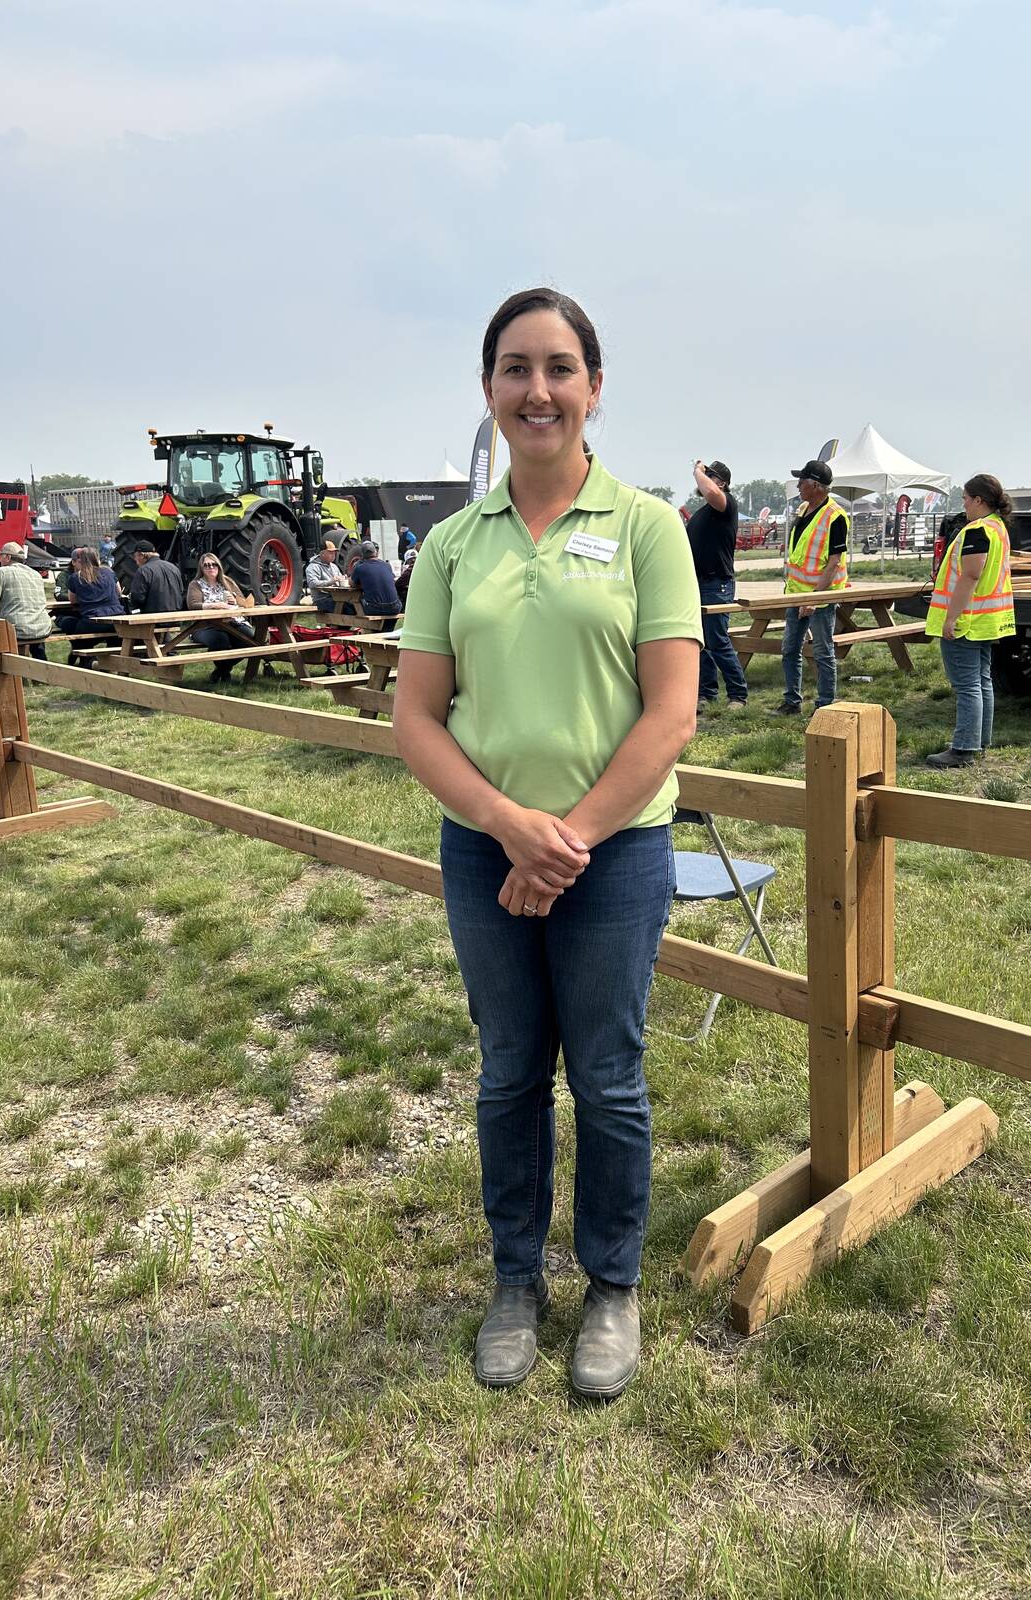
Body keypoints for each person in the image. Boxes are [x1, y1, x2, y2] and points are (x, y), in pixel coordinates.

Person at [394, 286, 701, 1402]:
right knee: (511, 1071)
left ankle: (612, 1287)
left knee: (609, 1077)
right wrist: (509, 827)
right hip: (485, 850)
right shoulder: (451, 546)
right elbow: (416, 715)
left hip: (613, 854)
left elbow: (670, 714)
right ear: (488, 392)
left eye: (561, 367)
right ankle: (515, 1281)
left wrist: (564, 838)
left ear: (595, 389)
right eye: (517, 369)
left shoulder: (646, 527)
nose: (539, 389)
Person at [924, 473, 1015, 768]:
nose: (962, 504)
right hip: (985, 619)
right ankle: (978, 740)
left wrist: (951, 618)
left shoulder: (977, 531)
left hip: (968, 620)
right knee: (981, 681)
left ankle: (963, 748)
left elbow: (971, 575)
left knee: (967, 686)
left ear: (978, 500)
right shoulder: (997, 528)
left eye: (964, 498)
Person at [774, 458, 850, 715]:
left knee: (822, 651)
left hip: (821, 597)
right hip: (796, 594)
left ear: (816, 485)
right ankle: (791, 701)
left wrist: (815, 599)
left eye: (802, 481)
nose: (798, 485)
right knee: (790, 649)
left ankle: (825, 704)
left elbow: (834, 562)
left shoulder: (836, 517)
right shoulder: (803, 509)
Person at [687, 457, 748, 712]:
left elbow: (711, 491)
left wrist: (697, 471)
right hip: (699, 583)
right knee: (702, 642)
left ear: (722, 483)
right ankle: (706, 693)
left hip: (716, 583)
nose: (704, 480)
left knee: (718, 640)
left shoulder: (726, 504)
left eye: (710, 476)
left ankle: (738, 694)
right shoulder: (704, 512)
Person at [0, 540, 53, 662]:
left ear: (8, 557)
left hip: (17, 630)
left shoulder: (2, 572)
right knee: (30, 625)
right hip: (43, 628)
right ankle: (40, 670)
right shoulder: (35, 574)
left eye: (1, 556)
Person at [185, 553, 255, 683]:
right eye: (206, 565)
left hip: (233, 622)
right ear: (201, 568)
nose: (211, 567)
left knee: (250, 639)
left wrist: (234, 599)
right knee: (220, 641)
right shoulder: (195, 585)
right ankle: (224, 673)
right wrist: (214, 605)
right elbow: (193, 605)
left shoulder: (227, 581)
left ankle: (221, 670)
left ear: (219, 566)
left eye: (214, 564)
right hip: (205, 625)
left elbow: (243, 602)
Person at [59, 547, 125, 665]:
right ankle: (109, 664)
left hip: (93, 621)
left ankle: (87, 662)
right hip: (116, 620)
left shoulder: (76, 577)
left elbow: (72, 600)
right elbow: (119, 592)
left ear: (81, 560)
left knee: (74, 632)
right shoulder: (109, 572)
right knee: (113, 638)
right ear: (97, 558)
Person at [347, 540, 402, 628]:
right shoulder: (387, 565)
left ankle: (369, 629)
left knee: (354, 601)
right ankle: (385, 630)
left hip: (375, 609)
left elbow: (352, 584)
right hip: (395, 608)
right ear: (375, 552)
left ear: (362, 555)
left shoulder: (360, 567)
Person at [128, 539, 184, 612]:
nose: (135, 560)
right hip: (175, 615)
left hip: (153, 617)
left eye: (135, 556)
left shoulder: (143, 570)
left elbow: (138, 597)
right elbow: (181, 591)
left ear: (142, 555)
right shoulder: (173, 567)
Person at [305, 540, 351, 615]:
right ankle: (336, 626)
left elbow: (339, 579)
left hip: (336, 598)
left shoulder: (334, 566)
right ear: (322, 553)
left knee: (352, 606)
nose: (333, 555)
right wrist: (330, 581)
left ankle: (337, 626)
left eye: (334, 552)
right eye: (330, 553)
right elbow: (312, 583)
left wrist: (344, 579)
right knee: (347, 609)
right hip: (321, 600)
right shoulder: (313, 567)